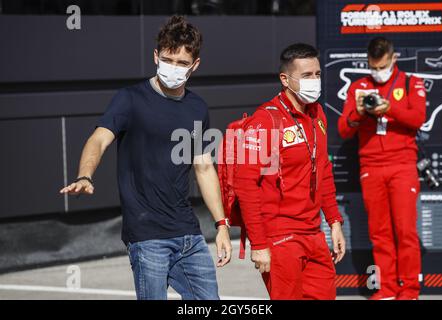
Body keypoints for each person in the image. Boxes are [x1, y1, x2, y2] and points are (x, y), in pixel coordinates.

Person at [60, 16, 232, 300]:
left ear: (195, 65)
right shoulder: (129, 99)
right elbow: (99, 138)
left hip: (189, 234)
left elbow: (203, 167)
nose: (173, 68)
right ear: (156, 56)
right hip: (147, 237)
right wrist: (84, 174)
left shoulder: (197, 108)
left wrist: (221, 225)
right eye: (167, 60)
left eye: (181, 63)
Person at [234, 43, 346, 300]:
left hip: (314, 233)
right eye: (307, 75)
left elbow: (324, 170)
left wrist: (335, 222)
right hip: (280, 236)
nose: (314, 81)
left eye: (317, 74)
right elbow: (246, 184)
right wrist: (260, 244)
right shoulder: (266, 120)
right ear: (285, 79)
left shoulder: (318, 114)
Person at [338, 37, 426, 300]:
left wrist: (391, 108)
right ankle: (386, 289)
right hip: (371, 167)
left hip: (402, 165)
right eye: (373, 67)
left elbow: (418, 118)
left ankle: (408, 290)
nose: (378, 72)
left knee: (405, 231)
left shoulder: (411, 82)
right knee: (380, 232)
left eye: (383, 66)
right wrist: (360, 113)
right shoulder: (359, 87)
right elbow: (344, 129)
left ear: (393, 58)